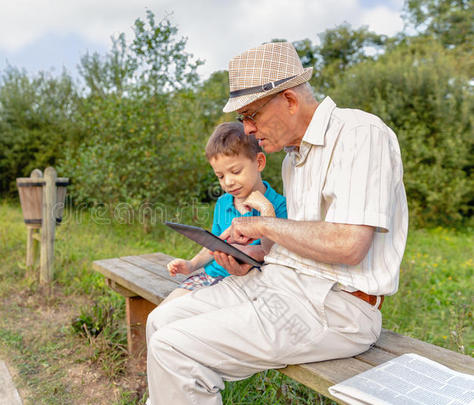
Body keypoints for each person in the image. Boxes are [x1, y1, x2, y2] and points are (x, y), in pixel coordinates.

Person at [145, 41, 408, 404]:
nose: (248, 130)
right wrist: (249, 256)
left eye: (252, 115)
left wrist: (265, 226)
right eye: (242, 120)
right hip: (278, 286)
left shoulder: (360, 134)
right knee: (161, 320)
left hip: (336, 308)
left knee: (174, 348)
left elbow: (349, 245)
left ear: (289, 100)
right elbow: (296, 242)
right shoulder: (292, 158)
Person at [164, 122, 287, 303]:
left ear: (259, 162)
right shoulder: (223, 203)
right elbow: (213, 243)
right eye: (220, 176)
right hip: (210, 276)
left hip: (247, 284)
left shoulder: (278, 205)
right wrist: (191, 265)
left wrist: (265, 210)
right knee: (167, 307)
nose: (228, 182)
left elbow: (275, 253)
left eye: (235, 171)